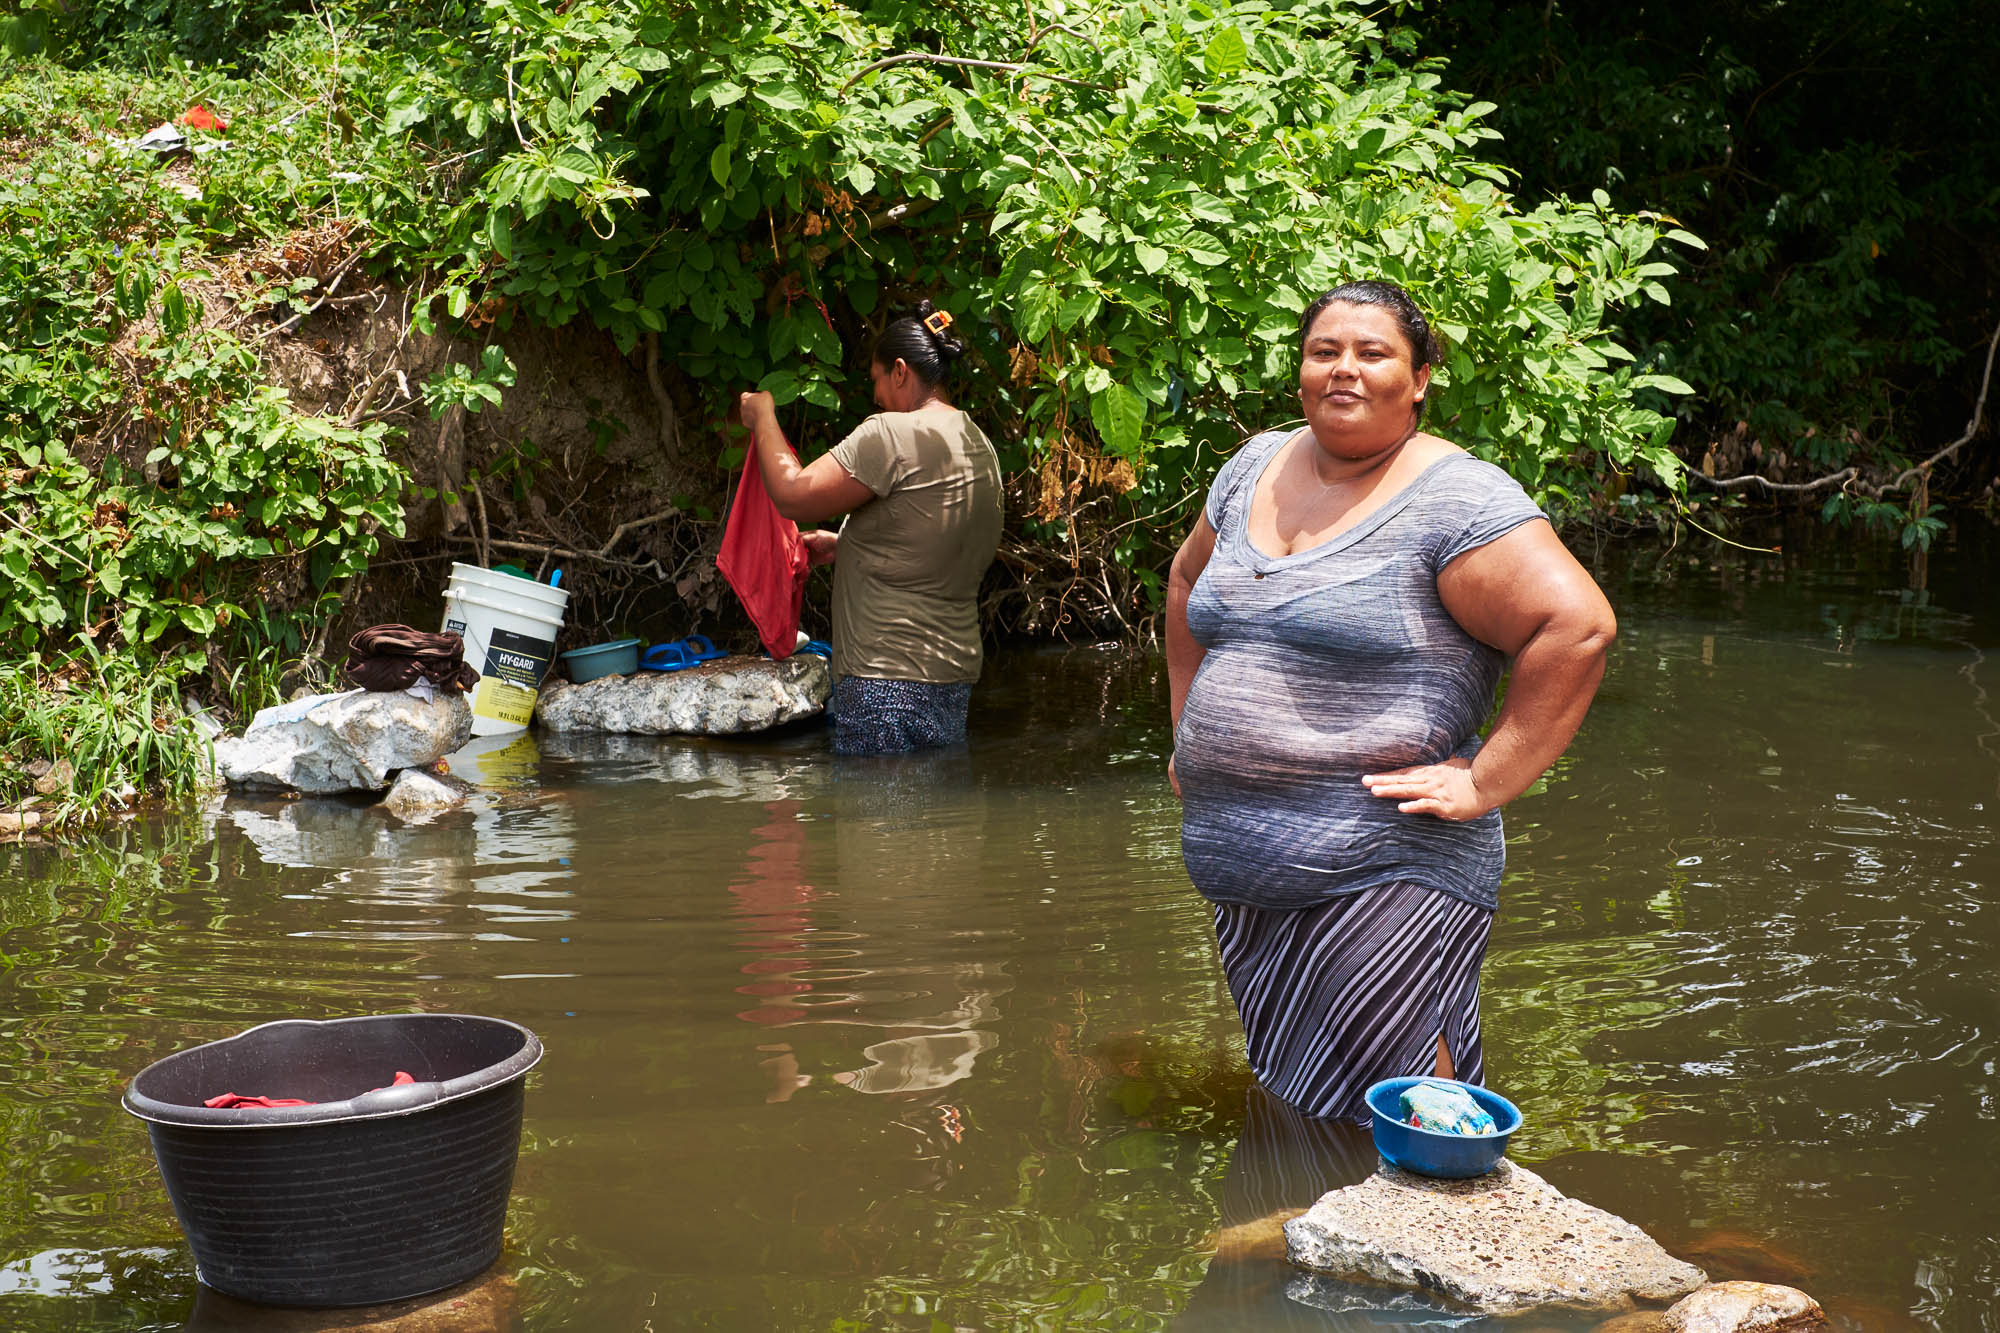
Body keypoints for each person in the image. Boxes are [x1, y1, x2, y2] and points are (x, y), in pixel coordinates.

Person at [1164, 279, 1618, 1124]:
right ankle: (1315, 1243)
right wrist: (1189, 728)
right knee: (1302, 1099)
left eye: (1373, 354)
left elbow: (1577, 626)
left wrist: (1485, 781)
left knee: (1410, 1109)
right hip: (1250, 870)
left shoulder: (1456, 499)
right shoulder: (1252, 466)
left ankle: (1453, 1247)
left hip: (1388, 862)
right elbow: (1188, 580)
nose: (1344, 370)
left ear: (1418, 380)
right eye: (1324, 350)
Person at [738, 300, 1004, 756]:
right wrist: (849, 545)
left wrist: (764, 415)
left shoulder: (890, 434)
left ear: (900, 371)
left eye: (877, 380)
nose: (876, 396)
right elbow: (943, 543)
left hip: (885, 679)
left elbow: (792, 492)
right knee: (933, 821)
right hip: (951, 677)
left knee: (876, 821)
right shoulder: (977, 444)